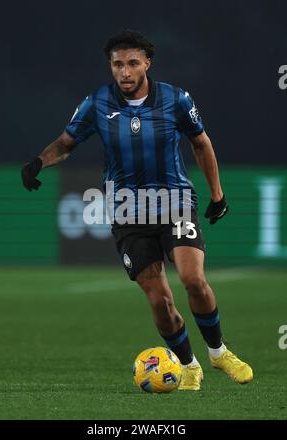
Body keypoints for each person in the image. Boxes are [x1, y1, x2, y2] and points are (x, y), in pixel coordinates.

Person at [21, 30, 253, 390]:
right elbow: (66, 143)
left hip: (174, 201)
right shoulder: (97, 103)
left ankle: (219, 352)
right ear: (110, 67)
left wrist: (217, 195)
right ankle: (189, 365)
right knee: (159, 300)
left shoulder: (176, 100)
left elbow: (201, 144)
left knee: (193, 279)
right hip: (128, 211)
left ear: (147, 63)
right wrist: (38, 162)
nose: (124, 72)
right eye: (117, 65)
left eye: (132, 63)